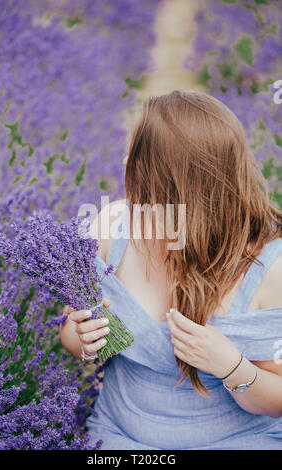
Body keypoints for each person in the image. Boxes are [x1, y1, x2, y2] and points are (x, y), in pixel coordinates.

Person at [60, 90, 282, 450]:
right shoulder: (112, 225)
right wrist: (82, 340)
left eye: (136, 154)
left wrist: (231, 367)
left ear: (172, 181)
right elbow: (70, 329)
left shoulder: (269, 267)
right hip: (118, 438)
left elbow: (278, 400)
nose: (124, 160)